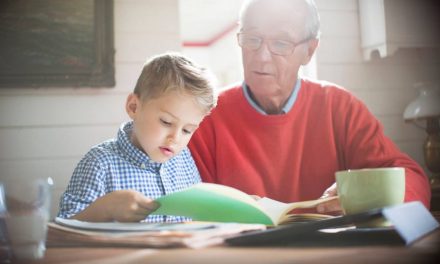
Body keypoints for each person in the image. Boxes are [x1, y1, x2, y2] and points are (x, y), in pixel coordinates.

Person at [188, 0, 431, 213]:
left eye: (281, 43)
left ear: (310, 51)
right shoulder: (205, 115)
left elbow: (409, 176)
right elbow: (185, 200)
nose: (261, 56)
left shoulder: (339, 106)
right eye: (252, 39)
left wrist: (371, 197)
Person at [58, 52, 216, 222]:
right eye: (166, 122)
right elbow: (63, 231)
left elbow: (197, 218)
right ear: (134, 107)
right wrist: (105, 209)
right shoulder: (99, 163)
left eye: (187, 130)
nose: (175, 138)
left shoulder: (184, 160)